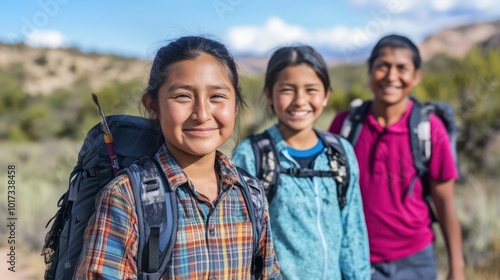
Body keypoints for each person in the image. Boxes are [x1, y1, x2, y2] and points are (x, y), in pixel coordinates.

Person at [74, 36, 281, 279]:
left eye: (217, 96)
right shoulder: (126, 198)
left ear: (235, 105)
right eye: (183, 96)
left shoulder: (251, 194)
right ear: (152, 105)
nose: (202, 114)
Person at [329, 34, 464, 280]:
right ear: (370, 71)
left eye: (402, 68)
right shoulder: (345, 125)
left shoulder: (430, 129)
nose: (392, 76)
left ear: (416, 76)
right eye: (383, 66)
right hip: (357, 258)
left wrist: (457, 269)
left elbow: (445, 203)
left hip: (416, 260)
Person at [232, 45, 370, 280]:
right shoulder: (252, 155)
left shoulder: (339, 152)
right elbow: (239, 241)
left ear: (326, 94)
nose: (299, 100)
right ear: (269, 94)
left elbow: (352, 232)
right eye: (287, 90)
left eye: (311, 90)